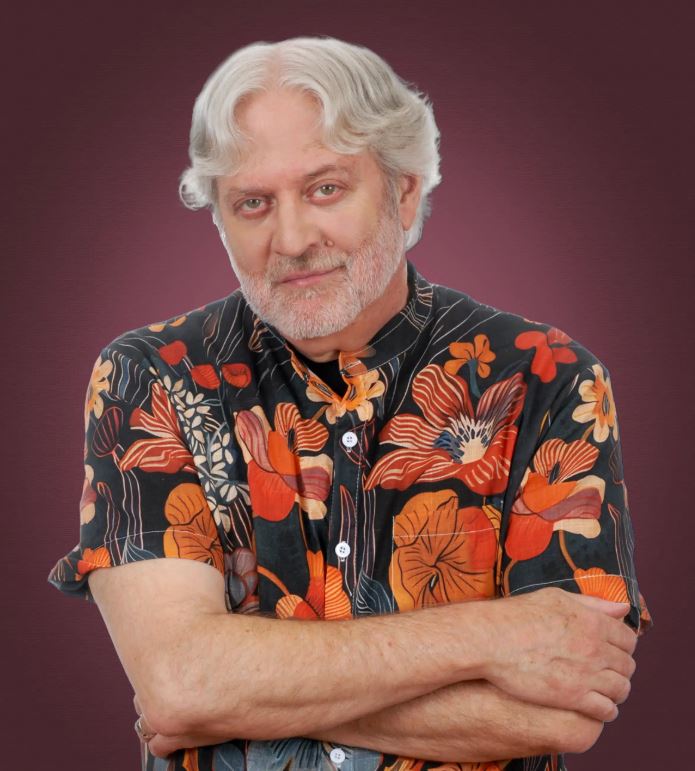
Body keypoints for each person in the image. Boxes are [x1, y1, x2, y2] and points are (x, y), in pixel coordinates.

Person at [47, 35, 652, 771]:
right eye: (252, 203)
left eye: (325, 188)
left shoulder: (548, 378)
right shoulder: (149, 375)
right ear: (218, 217)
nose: (293, 238)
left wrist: (242, 691)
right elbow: (180, 683)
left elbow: (563, 711)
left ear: (403, 188)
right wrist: (498, 637)